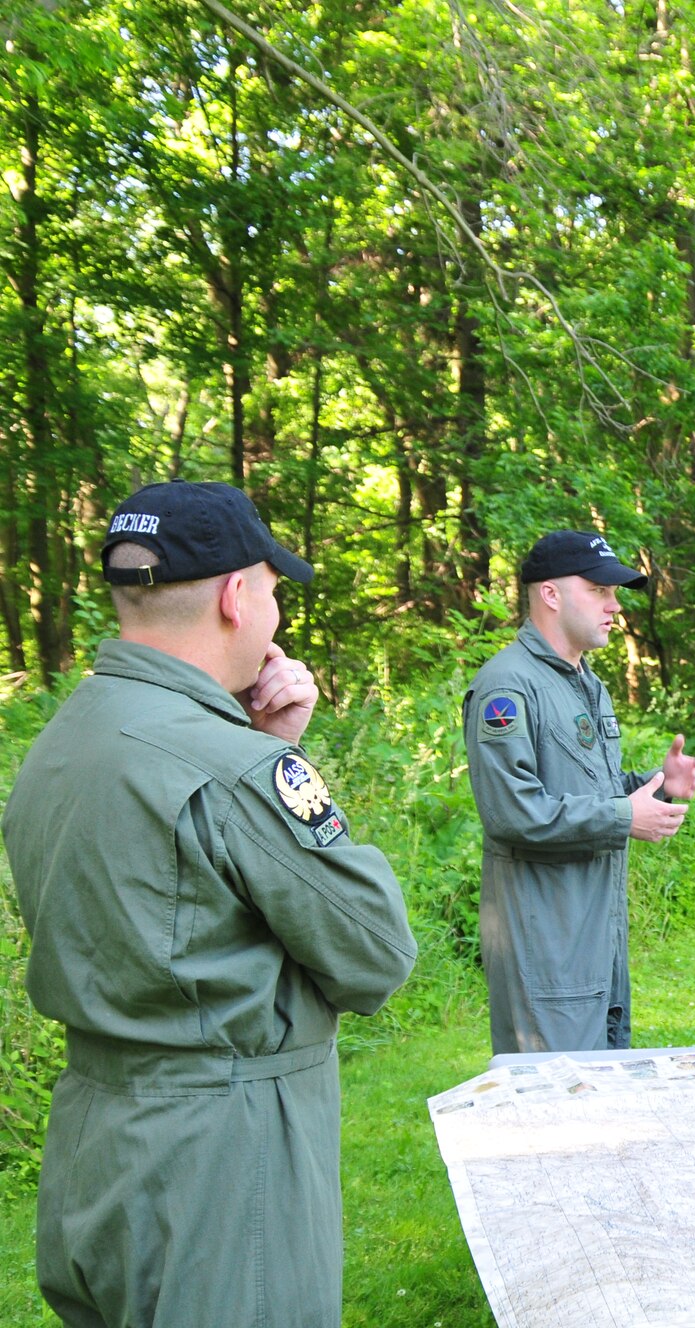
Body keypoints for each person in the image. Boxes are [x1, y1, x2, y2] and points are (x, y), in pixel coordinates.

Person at [2, 478, 417, 1327]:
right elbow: (376, 953)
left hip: (95, 1144)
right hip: (222, 1172)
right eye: (271, 591)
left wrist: (266, 747)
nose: (275, 618)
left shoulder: (65, 739)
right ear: (236, 595)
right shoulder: (232, 770)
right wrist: (272, 764)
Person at [465, 529, 695, 1055]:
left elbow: (592, 788)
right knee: (556, 1104)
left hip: (597, 933)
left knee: (602, 1094)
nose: (614, 605)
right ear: (550, 594)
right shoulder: (507, 686)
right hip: (545, 940)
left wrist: (657, 786)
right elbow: (512, 811)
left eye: (614, 593)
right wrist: (625, 817)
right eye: (599, 590)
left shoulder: (585, 682)